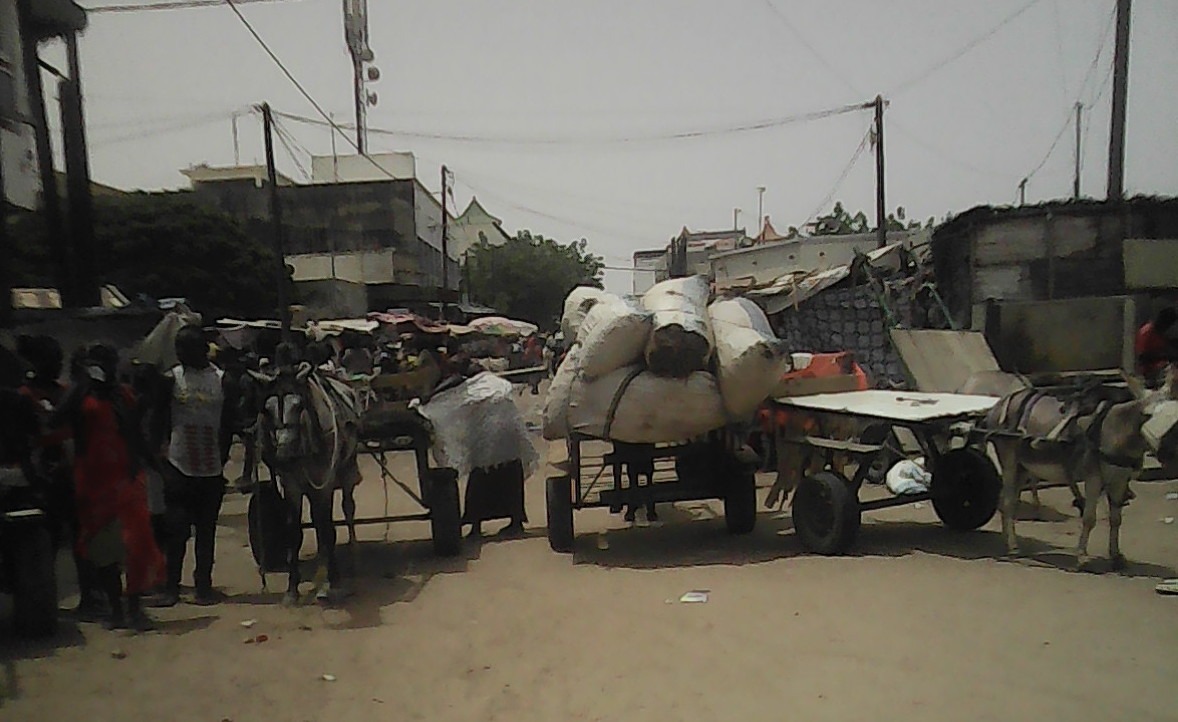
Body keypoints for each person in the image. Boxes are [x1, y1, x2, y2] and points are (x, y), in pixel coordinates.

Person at [54, 343, 164, 631]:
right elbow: (58, 418)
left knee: (137, 546)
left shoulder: (122, 395)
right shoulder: (79, 395)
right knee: (105, 552)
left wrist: (154, 464)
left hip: (126, 481)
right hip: (93, 485)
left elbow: (134, 433)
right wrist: (83, 384)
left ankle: (135, 609)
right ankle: (116, 610)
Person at [17, 335, 107, 620]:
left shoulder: (66, 390)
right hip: (45, 475)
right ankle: (44, 602)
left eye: (59, 361)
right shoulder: (24, 396)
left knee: (82, 537)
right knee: (49, 542)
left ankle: (89, 597)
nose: (56, 366)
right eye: (51, 361)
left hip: (75, 473)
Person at [150, 326, 239, 607]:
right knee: (176, 532)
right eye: (179, 348)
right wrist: (160, 461)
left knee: (206, 532)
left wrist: (222, 460)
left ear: (202, 349)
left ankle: (203, 587)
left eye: (186, 348)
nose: (180, 353)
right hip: (178, 466)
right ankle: (171, 588)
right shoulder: (170, 380)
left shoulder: (224, 381)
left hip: (211, 469)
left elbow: (228, 425)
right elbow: (157, 421)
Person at [1136, 307, 1176, 386]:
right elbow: (1142, 356)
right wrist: (1163, 356)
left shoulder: (1159, 333)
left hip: (1161, 371)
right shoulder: (1147, 332)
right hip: (1150, 374)